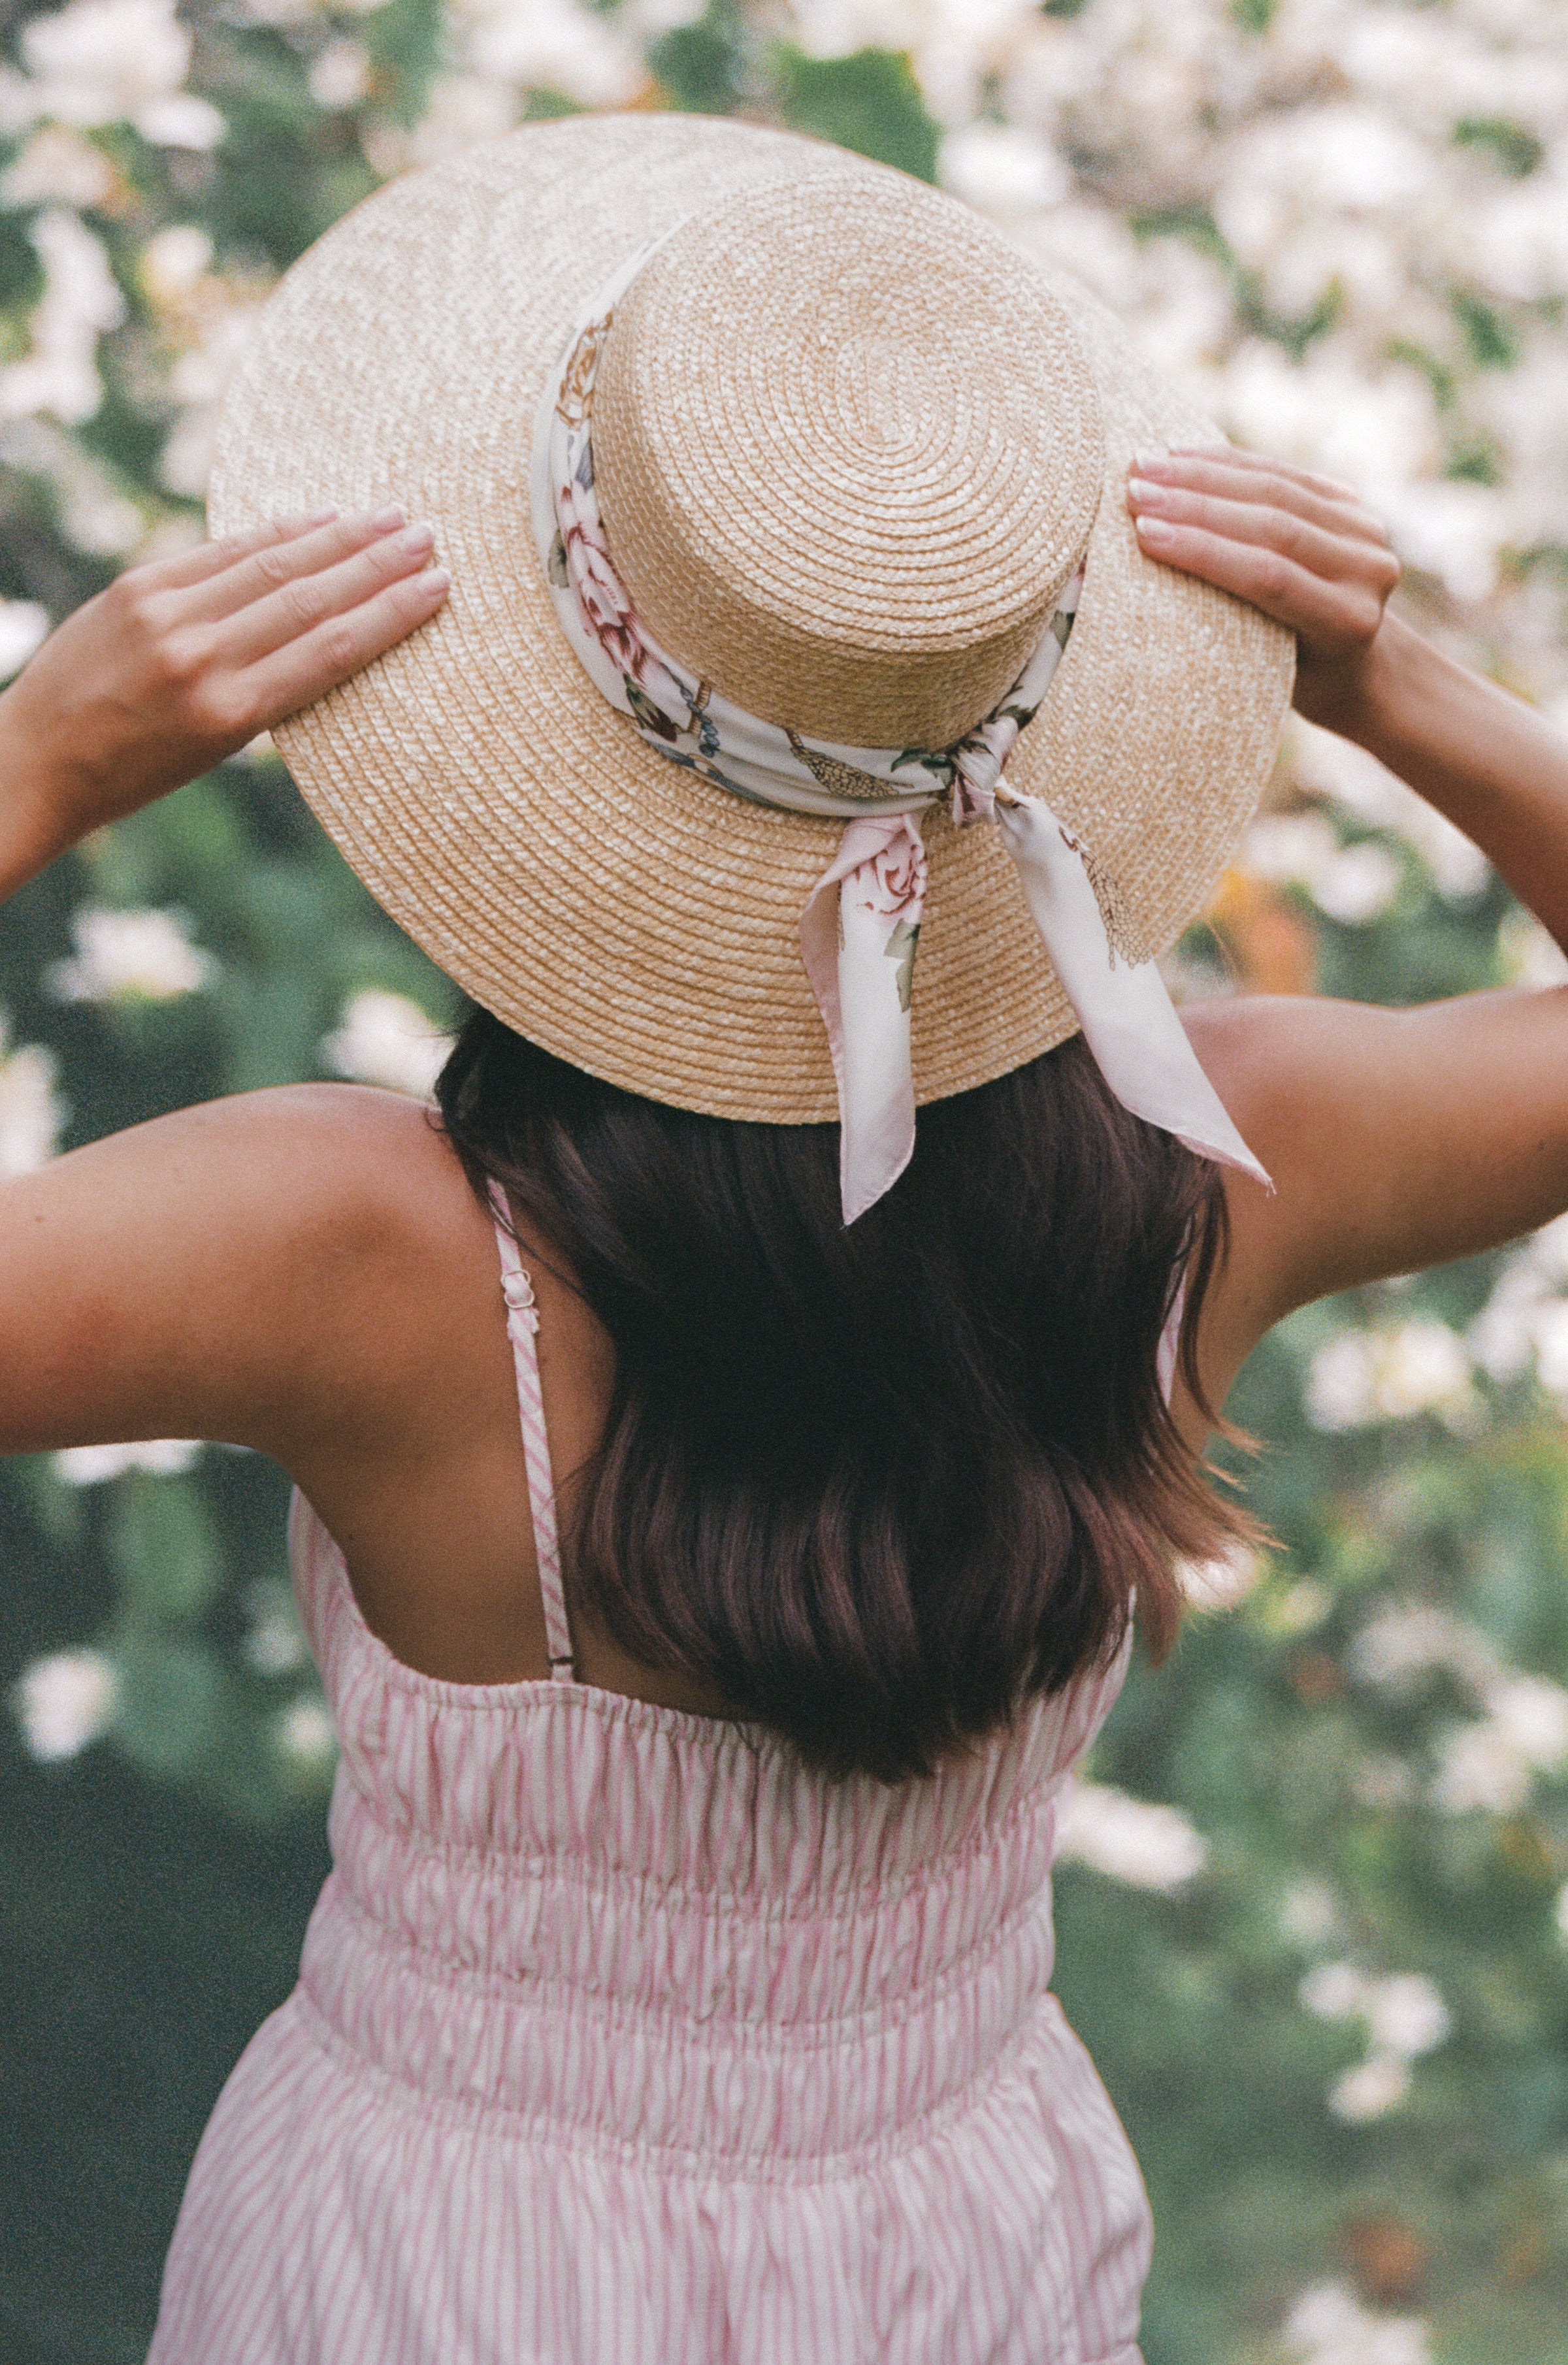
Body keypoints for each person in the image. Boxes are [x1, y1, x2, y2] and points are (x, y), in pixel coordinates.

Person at [3, 111, 1565, 2365]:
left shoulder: (357, 1253)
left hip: (442, 2273)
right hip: (961, 2262)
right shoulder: (1212, 1169)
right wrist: (1399, 679)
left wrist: (42, 759)